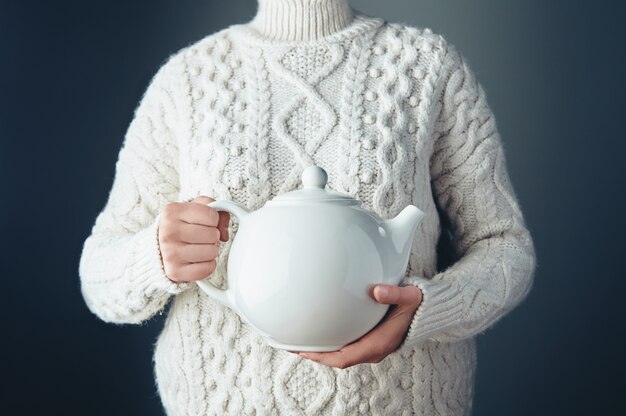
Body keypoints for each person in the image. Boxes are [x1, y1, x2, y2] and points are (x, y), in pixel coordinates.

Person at [79, 0, 537, 414]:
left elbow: (505, 247)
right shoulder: (188, 80)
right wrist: (154, 257)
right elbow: (98, 274)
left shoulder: (426, 66)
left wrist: (428, 309)